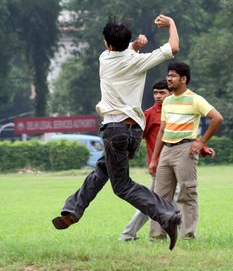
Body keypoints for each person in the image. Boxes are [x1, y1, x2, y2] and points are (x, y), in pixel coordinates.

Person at [52, 14, 182, 251]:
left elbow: (120, 51)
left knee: (121, 186)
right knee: (103, 169)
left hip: (115, 131)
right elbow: (173, 47)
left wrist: (133, 46)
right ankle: (72, 210)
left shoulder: (105, 59)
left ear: (107, 44)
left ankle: (167, 213)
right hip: (133, 134)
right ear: (126, 42)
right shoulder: (137, 61)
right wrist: (171, 24)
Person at [119, 79, 216, 242]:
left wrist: (203, 147)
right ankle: (131, 234)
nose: (157, 96)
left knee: (157, 200)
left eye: (161, 92)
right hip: (160, 163)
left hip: (178, 159)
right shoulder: (149, 114)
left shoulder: (175, 109)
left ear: (171, 93)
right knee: (161, 199)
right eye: (155, 92)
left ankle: (137, 234)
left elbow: (183, 135)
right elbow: (137, 136)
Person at [149, 62, 223, 240]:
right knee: (160, 196)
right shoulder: (167, 100)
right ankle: (157, 236)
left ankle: (188, 236)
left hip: (185, 149)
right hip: (166, 150)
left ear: (184, 79)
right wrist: (154, 159)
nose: (168, 78)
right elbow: (161, 131)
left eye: (173, 76)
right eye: (168, 75)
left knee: (187, 194)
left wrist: (201, 142)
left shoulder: (195, 99)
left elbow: (217, 118)